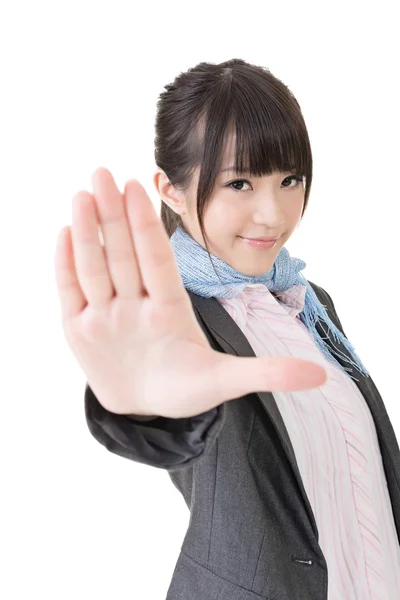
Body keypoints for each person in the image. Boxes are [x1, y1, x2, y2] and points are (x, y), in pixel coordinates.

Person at [54, 58, 400, 599]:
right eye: (239, 183)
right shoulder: (174, 322)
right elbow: (172, 425)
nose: (273, 213)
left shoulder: (308, 302)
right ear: (170, 190)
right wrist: (143, 410)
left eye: (289, 179)